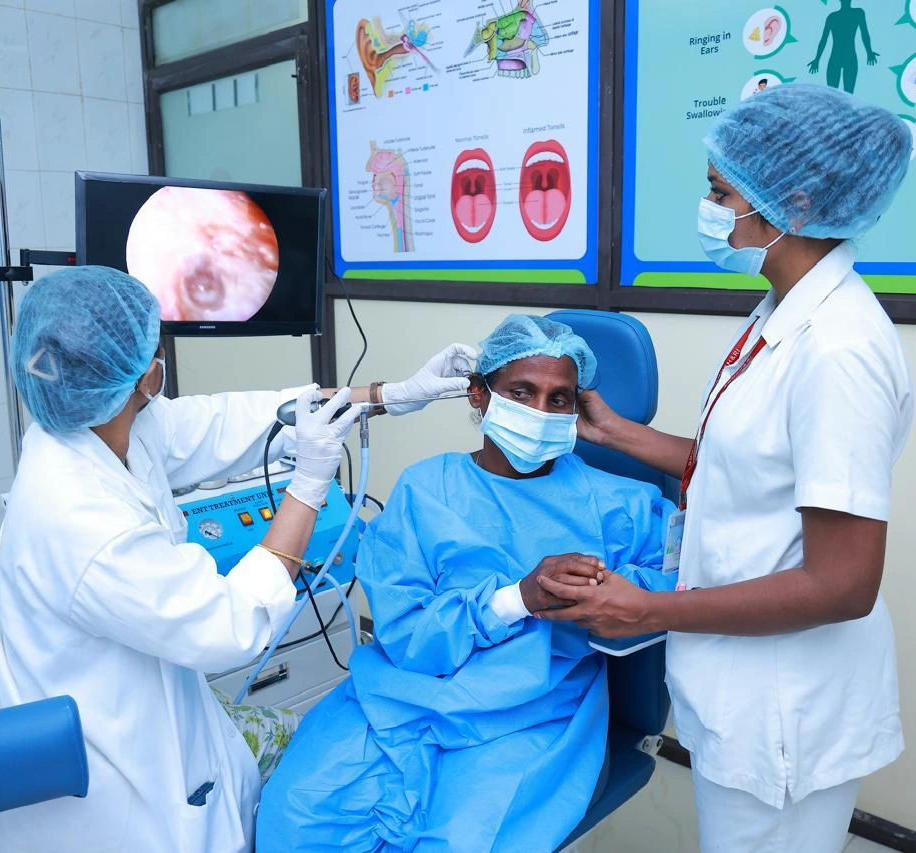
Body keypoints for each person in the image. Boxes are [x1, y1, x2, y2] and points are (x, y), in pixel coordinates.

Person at [0, 266, 475, 853]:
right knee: (313, 765)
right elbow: (232, 625)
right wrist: (307, 488)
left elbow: (232, 420)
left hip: (101, 695)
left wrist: (391, 395)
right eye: (155, 346)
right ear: (148, 376)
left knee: (308, 744)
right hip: (97, 772)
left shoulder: (96, 426)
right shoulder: (84, 521)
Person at [537, 85, 914, 852]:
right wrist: (617, 432)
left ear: (793, 206)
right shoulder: (781, 310)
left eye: (720, 192)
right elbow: (743, 468)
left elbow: (843, 583)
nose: (708, 210)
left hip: (784, 711)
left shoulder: (838, 350)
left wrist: (649, 609)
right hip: (737, 686)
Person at [258, 315, 676, 851]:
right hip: (398, 698)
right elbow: (406, 634)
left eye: (559, 399)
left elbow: (681, 581)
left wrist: (605, 585)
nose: (540, 411)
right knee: (296, 818)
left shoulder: (620, 501)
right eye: (521, 392)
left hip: (530, 711)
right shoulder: (426, 488)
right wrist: (516, 598)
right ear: (479, 394)